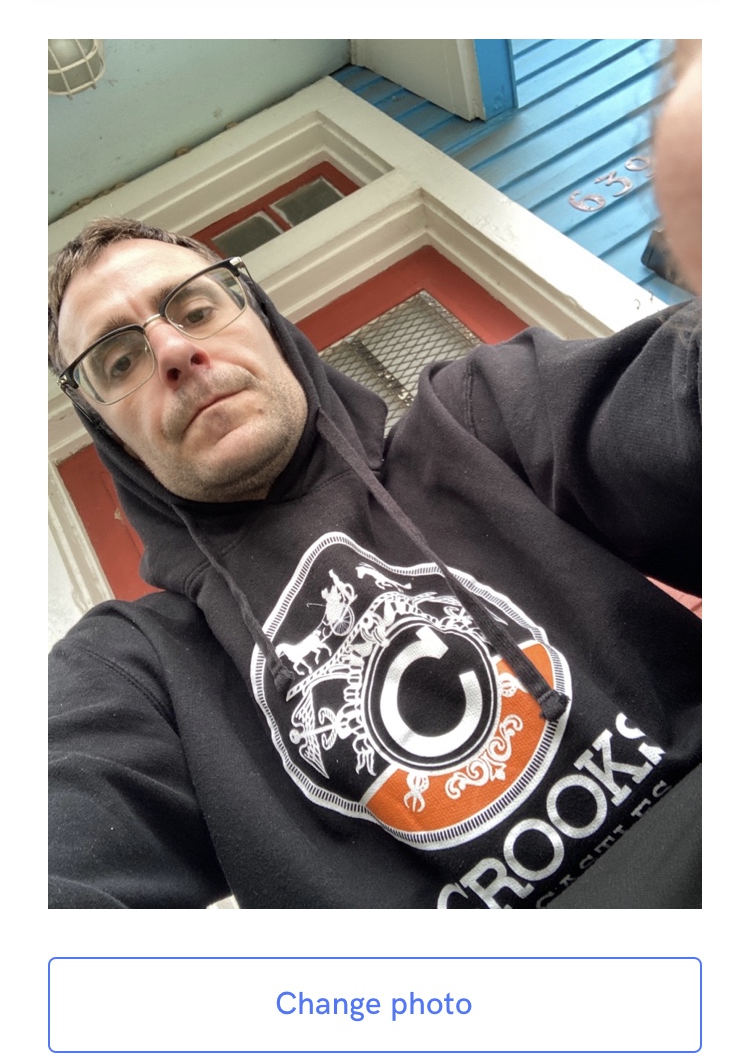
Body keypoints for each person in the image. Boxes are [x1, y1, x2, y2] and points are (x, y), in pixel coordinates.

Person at [48, 60, 701, 910]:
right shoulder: (142, 670)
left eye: (196, 308)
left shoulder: (483, 415)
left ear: (267, 324)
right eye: (118, 359)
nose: (173, 350)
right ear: (110, 435)